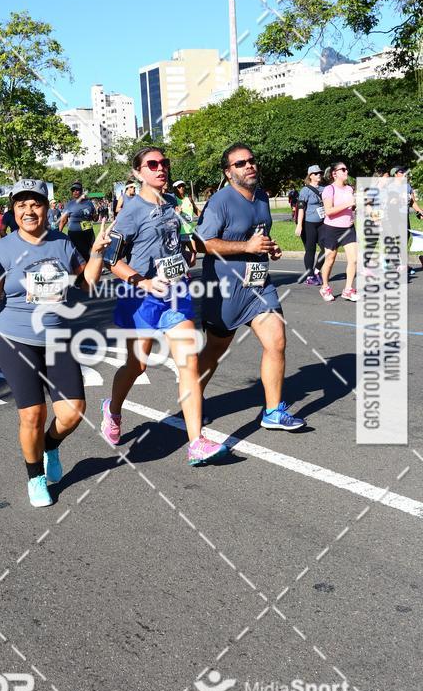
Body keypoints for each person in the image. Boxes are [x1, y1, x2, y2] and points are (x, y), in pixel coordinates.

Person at [0, 179, 111, 508]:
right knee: (33, 413)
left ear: (46, 208)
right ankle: (35, 477)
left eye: (35, 204)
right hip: (17, 340)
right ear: (13, 211)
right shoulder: (2, 248)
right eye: (21, 205)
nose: (29, 210)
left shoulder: (63, 243)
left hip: (58, 337)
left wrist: (97, 254)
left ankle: (50, 445)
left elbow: (87, 285)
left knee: (73, 413)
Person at [100, 146, 230, 466]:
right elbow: (111, 260)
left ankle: (196, 442)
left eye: (164, 163)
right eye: (152, 164)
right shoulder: (131, 211)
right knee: (137, 365)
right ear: (138, 172)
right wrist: (143, 282)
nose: (161, 168)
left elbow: (177, 240)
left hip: (175, 293)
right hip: (140, 298)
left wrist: (186, 253)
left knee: (188, 362)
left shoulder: (172, 203)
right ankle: (112, 410)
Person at [194, 142, 305, 431]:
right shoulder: (220, 202)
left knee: (277, 340)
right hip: (225, 289)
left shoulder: (262, 197)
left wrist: (271, 247)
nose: (249, 166)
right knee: (215, 349)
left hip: (259, 286)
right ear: (228, 172)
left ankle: (273, 411)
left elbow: (258, 236)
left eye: (251, 160)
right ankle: (192, 398)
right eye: (240, 163)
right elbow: (201, 243)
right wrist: (246, 246)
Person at [319, 163, 358, 302]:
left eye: (346, 169)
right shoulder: (329, 189)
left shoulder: (349, 189)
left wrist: (354, 207)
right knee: (330, 260)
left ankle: (348, 290)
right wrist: (348, 204)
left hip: (348, 228)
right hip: (332, 229)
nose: (346, 171)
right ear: (334, 173)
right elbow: (329, 211)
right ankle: (325, 287)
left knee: (354, 259)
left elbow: (351, 207)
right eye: (343, 169)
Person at [295, 165, 325, 285]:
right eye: (316, 173)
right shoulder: (305, 190)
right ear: (310, 176)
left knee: (327, 248)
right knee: (310, 250)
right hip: (309, 224)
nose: (319, 175)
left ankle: (317, 270)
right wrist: (299, 225)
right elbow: (301, 208)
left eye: (320, 173)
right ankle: (310, 276)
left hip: (322, 223)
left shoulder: (324, 189)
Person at [390, 167, 423, 276]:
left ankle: (402, 265)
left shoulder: (407, 186)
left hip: (405, 217)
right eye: (401, 172)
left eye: (404, 172)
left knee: (405, 240)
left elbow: (413, 202)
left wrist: (420, 211)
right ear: (395, 174)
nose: (404, 173)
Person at [59, 182, 97, 261]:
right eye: (73, 190)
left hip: (88, 233)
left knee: (92, 253)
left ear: (81, 191)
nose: (75, 192)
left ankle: (92, 266)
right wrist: (59, 232)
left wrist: (95, 216)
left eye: (77, 190)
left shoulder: (89, 203)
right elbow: (63, 220)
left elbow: (94, 218)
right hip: (75, 234)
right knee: (79, 256)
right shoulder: (69, 204)